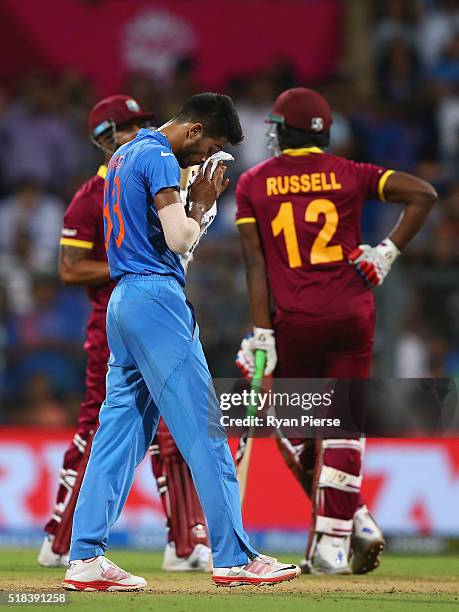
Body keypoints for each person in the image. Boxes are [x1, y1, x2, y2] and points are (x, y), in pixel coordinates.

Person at [63, 93, 301, 591]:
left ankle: (84, 555)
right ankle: (233, 557)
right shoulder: (160, 156)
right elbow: (178, 239)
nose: (202, 159)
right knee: (205, 430)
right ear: (193, 131)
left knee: (119, 433)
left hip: (123, 301)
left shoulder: (125, 154)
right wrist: (201, 205)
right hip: (155, 300)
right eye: (207, 147)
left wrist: (192, 207)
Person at [235, 87, 437, 574]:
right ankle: (338, 539)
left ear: (284, 130)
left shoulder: (254, 183)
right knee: (343, 428)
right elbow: (424, 195)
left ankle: (354, 521)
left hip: (295, 320)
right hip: (351, 313)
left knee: (291, 423)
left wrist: (262, 333)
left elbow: (256, 266)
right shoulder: (350, 173)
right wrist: (385, 252)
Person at [38, 95, 210, 572]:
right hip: (112, 322)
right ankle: (62, 538)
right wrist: (129, 263)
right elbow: (70, 270)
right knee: (102, 430)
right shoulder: (90, 195)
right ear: (102, 139)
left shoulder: (152, 172)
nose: (137, 130)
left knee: (159, 431)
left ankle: (184, 541)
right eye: (125, 126)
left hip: (147, 311)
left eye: (141, 122)